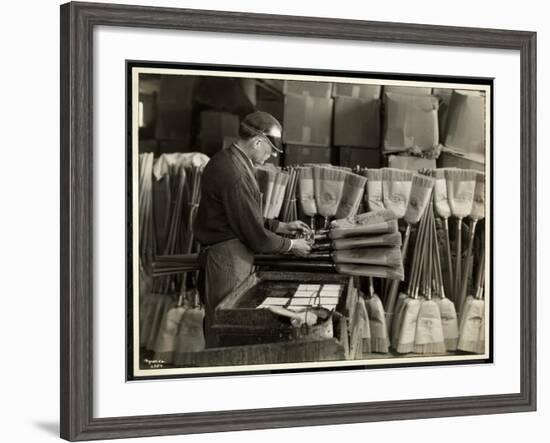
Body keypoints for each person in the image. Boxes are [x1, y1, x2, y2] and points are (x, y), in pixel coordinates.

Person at [194, 111, 312, 347]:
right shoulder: (234, 173)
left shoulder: (231, 160)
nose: (270, 158)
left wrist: (281, 226)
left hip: (231, 252)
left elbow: (243, 215)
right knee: (227, 324)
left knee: (228, 321)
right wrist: (292, 245)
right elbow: (256, 236)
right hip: (227, 257)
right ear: (258, 141)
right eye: (271, 151)